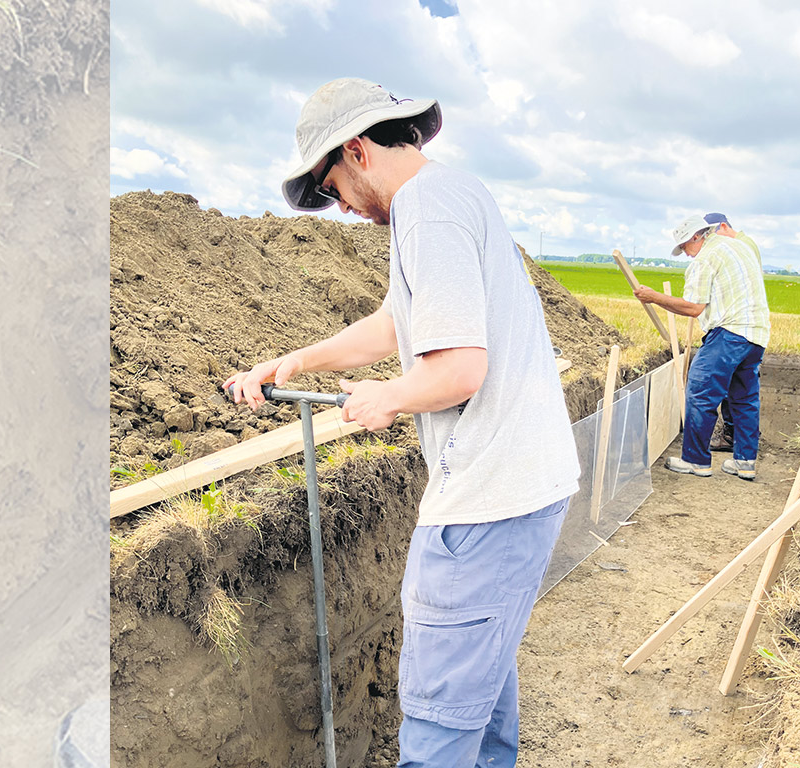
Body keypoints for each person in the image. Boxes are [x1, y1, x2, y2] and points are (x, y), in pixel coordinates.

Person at [224, 78, 579, 768]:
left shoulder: (425, 208)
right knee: (481, 698)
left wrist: (388, 398)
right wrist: (296, 361)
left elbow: (457, 371)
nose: (343, 209)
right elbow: (399, 323)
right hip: (524, 488)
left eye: (331, 189)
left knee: (439, 728)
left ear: (356, 152)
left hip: (486, 502)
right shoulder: (454, 193)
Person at [633, 213, 770, 480]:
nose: (686, 254)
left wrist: (654, 297)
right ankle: (745, 463)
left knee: (699, 390)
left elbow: (694, 307)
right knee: (744, 399)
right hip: (756, 335)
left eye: (685, 247)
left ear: (696, 237)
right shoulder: (738, 246)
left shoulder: (706, 258)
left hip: (729, 333)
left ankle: (696, 460)